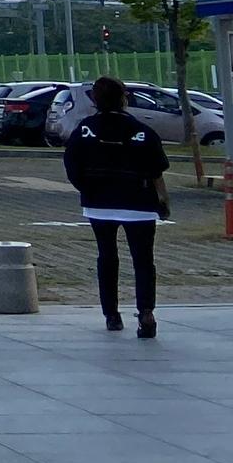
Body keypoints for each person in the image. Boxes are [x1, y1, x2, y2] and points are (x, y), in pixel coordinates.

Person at [61, 75, 169, 336]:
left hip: (99, 204)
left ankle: (111, 314)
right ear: (125, 98)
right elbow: (157, 170)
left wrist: (87, 188)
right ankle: (146, 313)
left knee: (107, 257)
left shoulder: (86, 130)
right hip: (139, 204)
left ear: (95, 100)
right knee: (143, 260)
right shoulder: (141, 131)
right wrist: (163, 201)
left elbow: (72, 165)